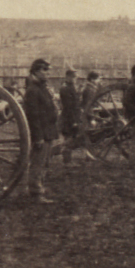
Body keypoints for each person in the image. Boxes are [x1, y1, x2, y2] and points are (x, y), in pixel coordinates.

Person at [23, 59, 58, 202]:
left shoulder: (42, 87)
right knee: (38, 162)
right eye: (45, 70)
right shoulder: (33, 90)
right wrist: (38, 137)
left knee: (44, 162)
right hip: (41, 133)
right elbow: (33, 116)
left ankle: (39, 187)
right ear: (36, 71)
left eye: (48, 70)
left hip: (48, 131)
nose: (48, 73)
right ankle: (35, 192)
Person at [58, 69, 82, 164]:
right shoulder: (65, 88)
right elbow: (68, 106)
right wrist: (73, 121)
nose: (75, 79)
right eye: (73, 77)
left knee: (72, 137)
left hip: (74, 116)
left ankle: (68, 160)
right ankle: (67, 162)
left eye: (76, 77)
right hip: (68, 117)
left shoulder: (72, 87)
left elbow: (76, 102)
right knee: (68, 138)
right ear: (68, 77)